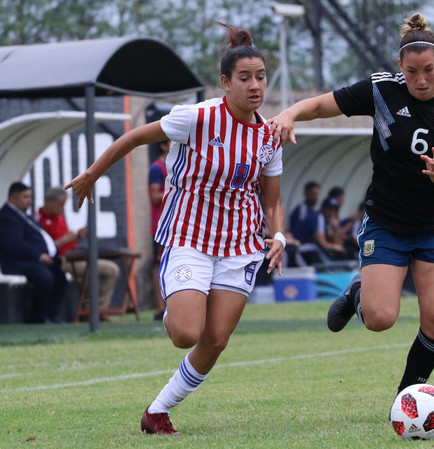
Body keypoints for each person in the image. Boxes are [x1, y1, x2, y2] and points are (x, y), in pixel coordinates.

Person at [65, 22, 285, 435]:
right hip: (189, 239)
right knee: (186, 333)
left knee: (215, 340)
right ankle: (175, 306)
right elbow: (132, 138)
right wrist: (92, 174)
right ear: (225, 83)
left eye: (260, 77)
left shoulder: (269, 136)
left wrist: (278, 236)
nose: (255, 85)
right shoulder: (195, 118)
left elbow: (272, 199)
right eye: (245, 78)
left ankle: (158, 411)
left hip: (240, 246)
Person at [269, 13, 434, 404]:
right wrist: (289, 113)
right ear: (400, 65)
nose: (421, 79)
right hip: (385, 223)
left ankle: (407, 399)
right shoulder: (382, 90)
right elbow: (321, 105)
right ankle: (357, 293)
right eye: (413, 70)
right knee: (381, 319)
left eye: (429, 70)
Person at [37, 187, 120, 320]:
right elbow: (44, 247)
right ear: (51, 201)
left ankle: (99, 310)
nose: (62, 209)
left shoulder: (59, 218)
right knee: (94, 272)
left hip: (76, 256)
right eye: (60, 205)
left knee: (111, 270)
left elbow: (67, 241)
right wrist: (65, 240)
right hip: (61, 260)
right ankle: (95, 313)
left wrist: (76, 237)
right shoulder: (39, 220)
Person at [0, 182, 67, 323]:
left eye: (30, 197)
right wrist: (38, 255)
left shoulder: (25, 217)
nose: (29, 201)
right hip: (16, 262)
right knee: (44, 276)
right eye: (25, 197)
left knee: (60, 277)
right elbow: (15, 245)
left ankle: (51, 316)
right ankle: (38, 317)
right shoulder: (7, 217)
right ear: (13, 198)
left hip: (35, 260)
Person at [148, 139, 169, 320]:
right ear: (163, 145)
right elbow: (154, 197)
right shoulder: (156, 168)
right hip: (161, 226)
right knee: (159, 264)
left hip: (178, 224)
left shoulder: (179, 163)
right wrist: (178, 190)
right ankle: (159, 307)